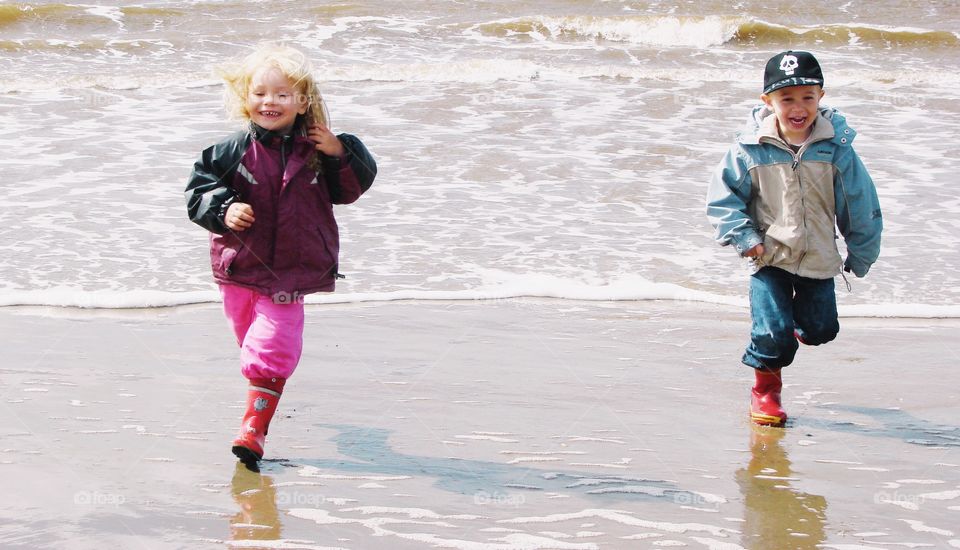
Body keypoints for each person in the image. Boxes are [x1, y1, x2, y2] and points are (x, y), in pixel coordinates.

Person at [185, 43, 376, 469]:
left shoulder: (321, 148)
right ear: (245, 99)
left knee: (273, 347)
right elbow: (198, 191)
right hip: (240, 265)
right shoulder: (230, 151)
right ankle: (263, 390)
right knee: (251, 341)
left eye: (282, 94)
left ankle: (253, 430)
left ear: (302, 102)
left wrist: (339, 154)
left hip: (292, 269)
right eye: (259, 93)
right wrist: (224, 209)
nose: (269, 101)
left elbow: (350, 190)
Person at [706, 50, 882, 427]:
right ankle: (766, 392)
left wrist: (861, 253)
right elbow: (723, 198)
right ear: (768, 101)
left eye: (807, 97)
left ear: (821, 96)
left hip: (818, 256)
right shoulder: (750, 148)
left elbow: (859, 203)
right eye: (786, 98)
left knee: (821, 330)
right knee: (772, 333)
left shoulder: (836, 149)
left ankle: (797, 329)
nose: (798, 107)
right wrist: (744, 237)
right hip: (768, 256)